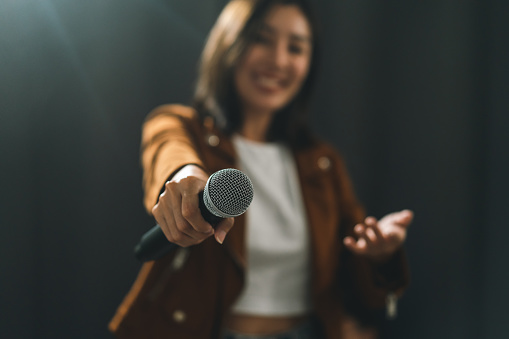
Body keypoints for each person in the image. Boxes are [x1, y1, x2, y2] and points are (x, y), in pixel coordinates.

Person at [109, 0, 412, 338]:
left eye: (295, 48)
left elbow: (364, 289)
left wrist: (381, 254)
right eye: (262, 39)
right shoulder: (182, 126)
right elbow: (169, 152)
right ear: (230, 44)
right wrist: (186, 176)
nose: (279, 60)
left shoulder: (323, 163)